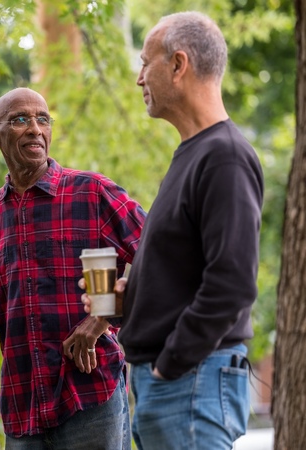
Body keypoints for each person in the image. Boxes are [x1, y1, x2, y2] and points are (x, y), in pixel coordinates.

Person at [82, 12, 264, 450]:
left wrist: (171, 363)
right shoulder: (193, 154)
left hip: (189, 380)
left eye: (146, 63)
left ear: (178, 65)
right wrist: (132, 302)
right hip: (171, 383)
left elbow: (232, 283)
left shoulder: (224, 157)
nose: (138, 78)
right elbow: (190, 271)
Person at [0, 87, 146, 449]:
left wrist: (101, 318)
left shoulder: (92, 192)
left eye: (43, 119)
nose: (34, 128)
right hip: (22, 402)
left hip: (89, 394)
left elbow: (158, 251)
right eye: (20, 120)